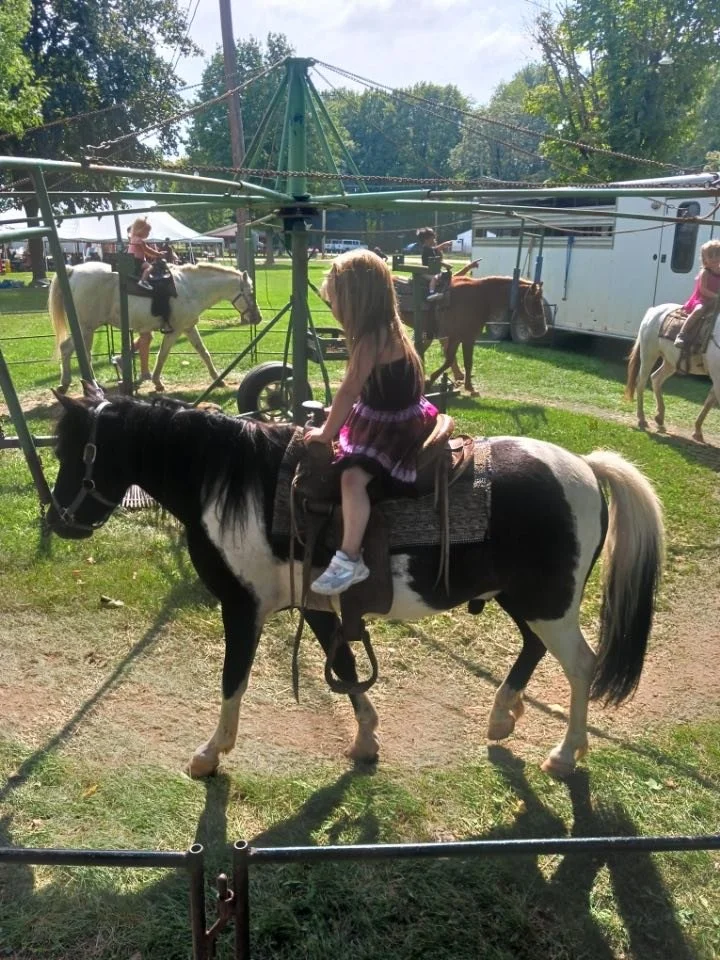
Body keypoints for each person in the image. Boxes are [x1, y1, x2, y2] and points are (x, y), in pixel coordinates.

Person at [305, 249, 438, 596]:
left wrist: (326, 432)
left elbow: (349, 391)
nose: (333, 308)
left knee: (351, 479)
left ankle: (350, 558)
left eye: (335, 300)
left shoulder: (370, 339)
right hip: (391, 411)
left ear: (355, 299)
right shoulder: (390, 327)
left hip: (391, 425)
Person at [675, 239, 720, 347]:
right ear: (705, 259)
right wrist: (716, 296)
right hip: (704, 300)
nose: (714, 258)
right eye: (710, 256)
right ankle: (682, 334)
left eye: (717, 255)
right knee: (699, 310)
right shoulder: (705, 272)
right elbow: (702, 289)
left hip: (717, 301)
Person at [128, 217, 161, 290]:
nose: (148, 233)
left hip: (131, 259)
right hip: (136, 260)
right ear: (141, 230)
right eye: (147, 231)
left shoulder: (133, 238)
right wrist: (158, 254)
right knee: (150, 267)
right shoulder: (140, 240)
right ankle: (143, 281)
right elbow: (147, 250)